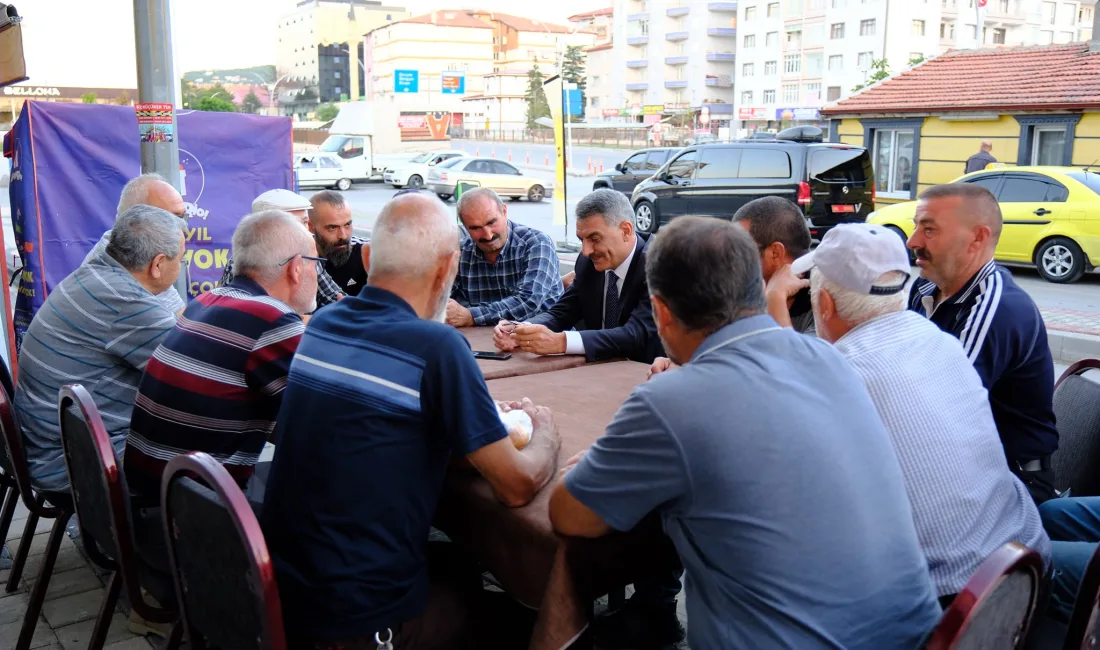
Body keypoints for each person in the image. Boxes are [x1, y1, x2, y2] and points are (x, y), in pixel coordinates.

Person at [549, 216, 940, 650]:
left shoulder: (672, 401)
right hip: (918, 633)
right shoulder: (826, 357)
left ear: (660, 311)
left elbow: (567, 516)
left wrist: (558, 451)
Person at [261, 192, 562, 649]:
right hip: (358, 625)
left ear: (368, 257)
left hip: (285, 593)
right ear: (446, 268)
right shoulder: (437, 347)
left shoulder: (322, 324)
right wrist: (544, 431)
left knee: (461, 563)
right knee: (538, 622)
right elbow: (516, 485)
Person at [795, 223, 1051, 605]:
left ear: (825, 306)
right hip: (1025, 566)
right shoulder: (938, 341)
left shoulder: (837, 376)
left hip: (950, 602)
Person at [125, 210, 319, 505]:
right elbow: (322, 417)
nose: (318, 273)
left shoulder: (205, 302)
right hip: (196, 517)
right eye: (316, 263)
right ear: (295, 268)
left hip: (153, 494)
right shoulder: (271, 319)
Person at [15, 206, 184, 492]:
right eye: (181, 259)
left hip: (48, 446)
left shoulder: (94, 275)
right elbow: (194, 372)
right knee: (213, 452)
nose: (181, 267)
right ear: (157, 265)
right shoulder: (127, 302)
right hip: (69, 464)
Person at [908, 183, 1058, 504]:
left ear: (978, 237)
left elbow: (931, 409)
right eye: (915, 226)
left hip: (1012, 482)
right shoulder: (924, 289)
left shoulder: (996, 307)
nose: (913, 241)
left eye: (929, 229)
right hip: (958, 466)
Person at [648, 195, 814, 377]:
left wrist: (775, 298)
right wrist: (686, 362)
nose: (730, 260)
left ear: (775, 253)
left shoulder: (824, 299)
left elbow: (799, 376)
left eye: (742, 250)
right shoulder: (741, 288)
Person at [494, 188, 661, 364]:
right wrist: (522, 330)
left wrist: (561, 342)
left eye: (594, 239)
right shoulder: (588, 263)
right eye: (582, 240)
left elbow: (636, 334)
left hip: (648, 373)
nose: (586, 251)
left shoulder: (662, 265)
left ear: (626, 230)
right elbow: (562, 312)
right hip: (597, 371)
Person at [445, 187, 563, 328]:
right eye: (476, 228)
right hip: (481, 340)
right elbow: (440, 297)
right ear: (464, 227)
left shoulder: (536, 243)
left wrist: (471, 316)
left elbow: (528, 302)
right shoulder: (461, 252)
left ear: (504, 211)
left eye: (491, 223)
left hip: (543, 339)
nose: (487, 235)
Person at [84, 173, 190, 314]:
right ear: (138, 221)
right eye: (174, 218)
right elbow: (177, 327)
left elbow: (178, 315)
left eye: (183, 217)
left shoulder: (142, 251)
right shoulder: (120, 265)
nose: (183, 227)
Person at [222, 189, 344, 310]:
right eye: (297, 225)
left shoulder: (306, 256)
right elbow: (241, 315)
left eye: (306, 222)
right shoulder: (246, 262)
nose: (306, 231)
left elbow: (334, 298)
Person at [309, 190, 369, 295]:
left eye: (347, 225)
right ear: (311, 227)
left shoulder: (366, 252)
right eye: (332, 228)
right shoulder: (303, 260)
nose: (343, 235)